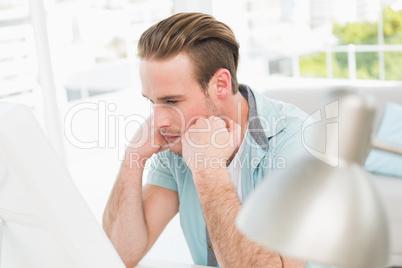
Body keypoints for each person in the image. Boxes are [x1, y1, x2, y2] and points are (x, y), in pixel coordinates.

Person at [103, 12, 310, 268]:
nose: (158, 121)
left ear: (220, 84)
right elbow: (117, 254)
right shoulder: (177, 138)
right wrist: (133, 159)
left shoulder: (295, 141)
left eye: (171, 101)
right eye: (151, 101)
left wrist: (208, 170)